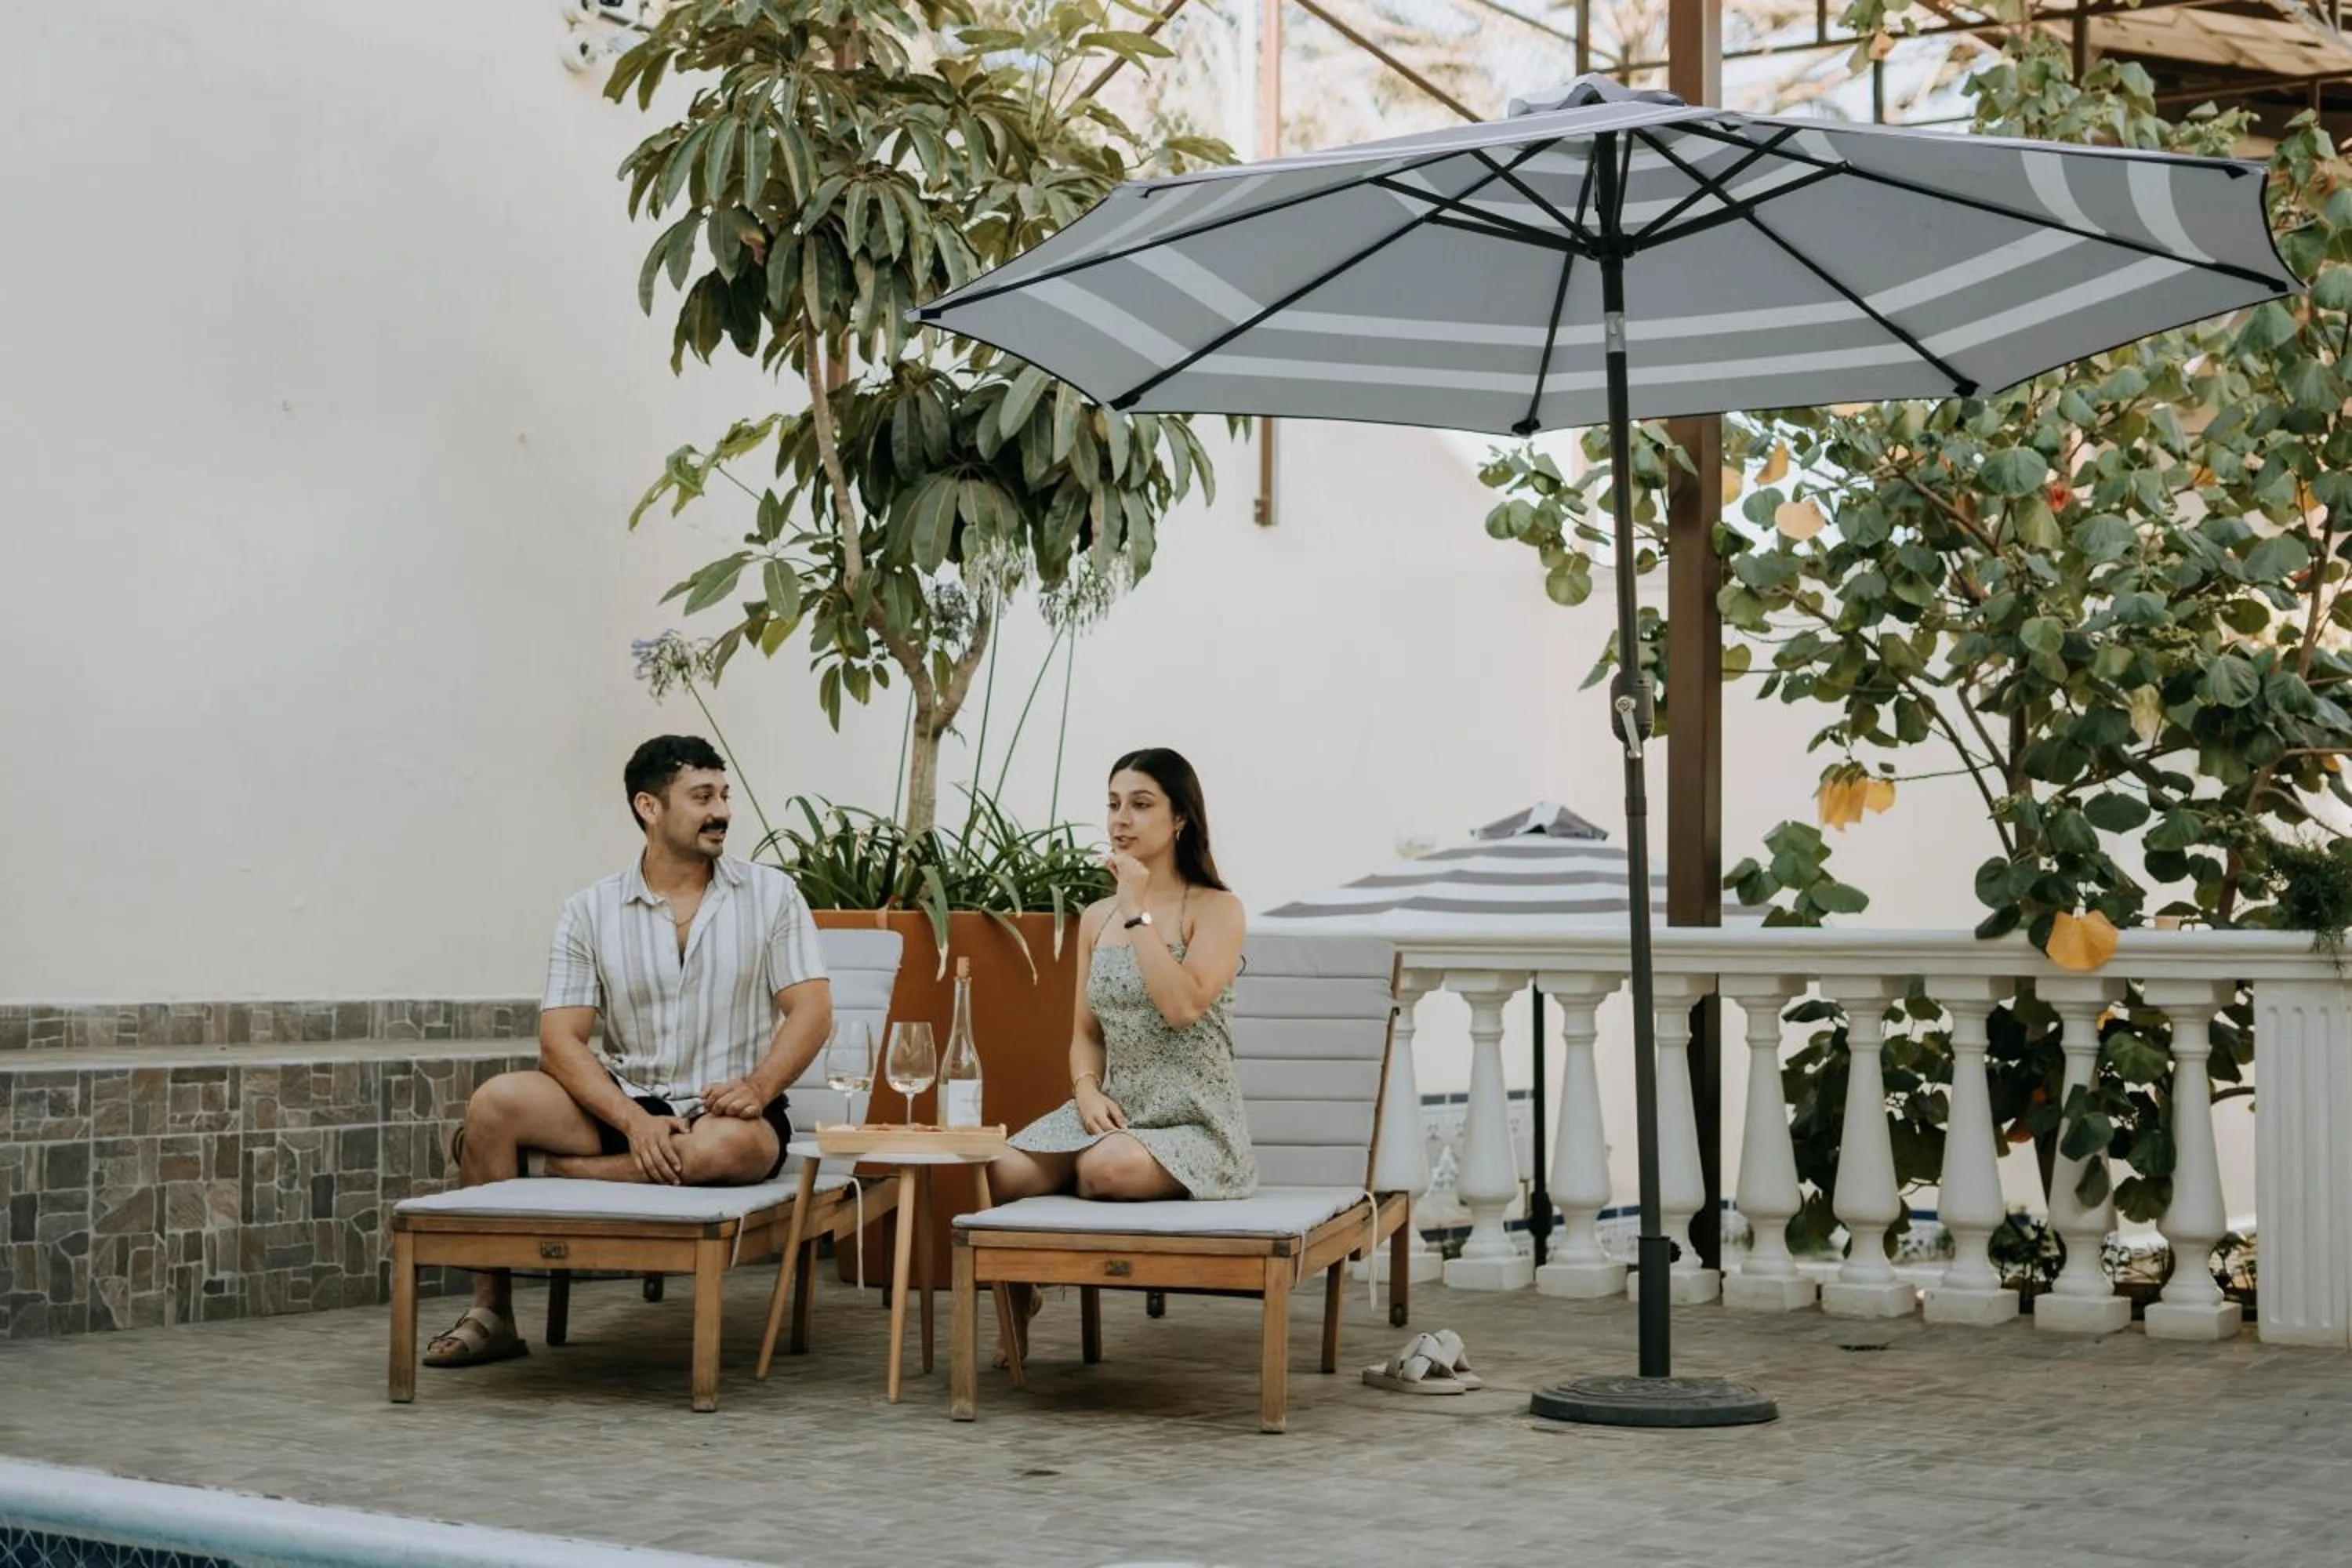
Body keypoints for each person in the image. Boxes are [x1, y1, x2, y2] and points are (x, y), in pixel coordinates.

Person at [422, 735, 833, 1369]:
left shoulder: (771, 895)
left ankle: (557, 1173)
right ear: (649, 807)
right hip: (623, 1106)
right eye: (702, 797)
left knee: (722, 1146)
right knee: (495, 1103)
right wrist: (632, 1121)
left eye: (723, 795)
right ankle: (492, 1312)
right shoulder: (589, 911)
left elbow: (811, 1011)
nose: (721, 810)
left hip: (727, 1111)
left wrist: (757, 1086)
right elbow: (560, 1041)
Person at [989, 748, 1256, 1210]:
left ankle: (1081, 1175)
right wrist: (1087, 1092)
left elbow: (1182, 1008)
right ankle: (1027, 1282)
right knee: (1000, 1170)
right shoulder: (1095, 919)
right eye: (1114, 804)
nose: (1121, 819)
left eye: (1141, 804)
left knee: (1106, 1168)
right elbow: (1085, 1033)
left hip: (1193, 1124)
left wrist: (1136, 909)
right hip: (1112, 1115)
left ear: (1180, 819)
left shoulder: (1218, 909)